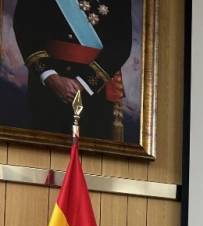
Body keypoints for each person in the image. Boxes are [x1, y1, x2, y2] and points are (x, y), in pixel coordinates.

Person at [13, 0, 132, 140]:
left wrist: (85, 82)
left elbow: (121, 44)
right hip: (47, 92)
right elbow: (25, 27)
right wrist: (51, 77)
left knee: (90, 156)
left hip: (94, 96)